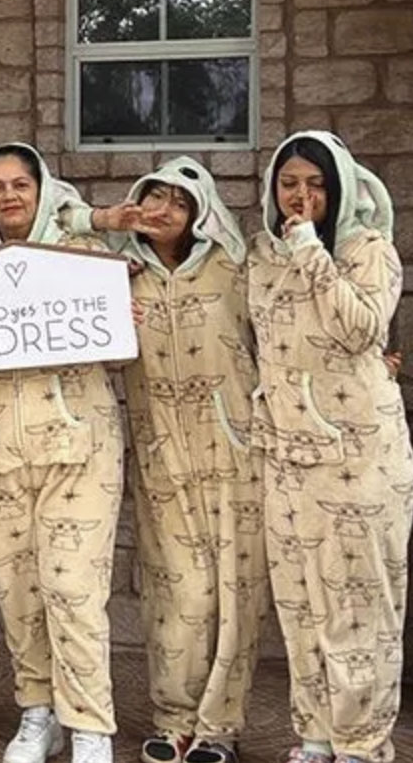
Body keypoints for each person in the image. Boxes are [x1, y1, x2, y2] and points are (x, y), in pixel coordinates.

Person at [89, 158, 267, 763]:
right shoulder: (117, 275)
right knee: (177, 593)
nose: (162, 210)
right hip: (162, 456)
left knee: (236, 596)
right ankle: (174, 719)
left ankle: (220, 727)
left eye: (179, 201)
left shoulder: (235, 268)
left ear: (199, 213)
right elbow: (102, 353)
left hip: (236, 454)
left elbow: (285, 331)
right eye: (154, 197)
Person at [248, 130, 413, 763]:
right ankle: (316, 736)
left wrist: (312, 250)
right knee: (300, 606)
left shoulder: (369, 249)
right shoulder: (263, 253)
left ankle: (362, 745)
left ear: (339, 188)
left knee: (357, 607)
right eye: (289, 183)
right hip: (287, 457)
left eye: (316, 185)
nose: (301, 196)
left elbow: (360, 329)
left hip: (356, 457)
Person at [0, 142, 125, 763]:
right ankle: (38, 712)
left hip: (78, 447)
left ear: (42, 189)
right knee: (17, 589)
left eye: (20, 184)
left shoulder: (83, 257)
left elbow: (116, 340)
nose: (9, 196)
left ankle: (89, 725)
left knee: (74, 588)